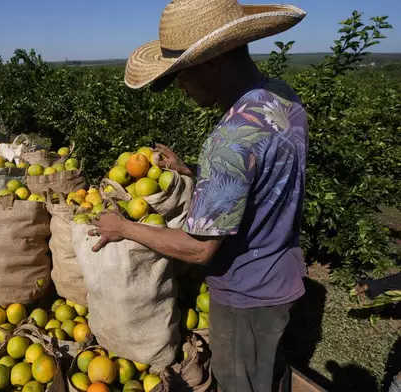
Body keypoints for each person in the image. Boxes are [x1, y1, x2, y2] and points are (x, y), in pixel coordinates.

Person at [89, 0, 307, 391]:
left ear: (212, 62)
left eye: (180, 76)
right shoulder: (278, 96)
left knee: (246, 382)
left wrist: (124, 228)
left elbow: (199, 249)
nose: (181, 89)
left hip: (247, 294)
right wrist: (195, 173)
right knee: (269, 372)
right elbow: (259, 176)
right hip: (280, 271)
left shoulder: (229, 142)